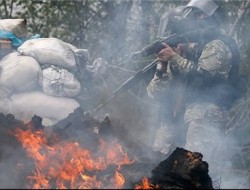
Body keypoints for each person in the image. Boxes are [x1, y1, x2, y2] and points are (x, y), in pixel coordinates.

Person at [147, 0, 243, 165]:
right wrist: (162, 67)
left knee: (192, 171)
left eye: (203, 14)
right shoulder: (184, 53)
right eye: (196, 15)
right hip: (173, 120)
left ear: (215, 17)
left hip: (204, 118)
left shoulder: (218, 45)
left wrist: (175, 57)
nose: (199, 19)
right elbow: (154, 92)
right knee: (154, 171)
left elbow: (203, 76)